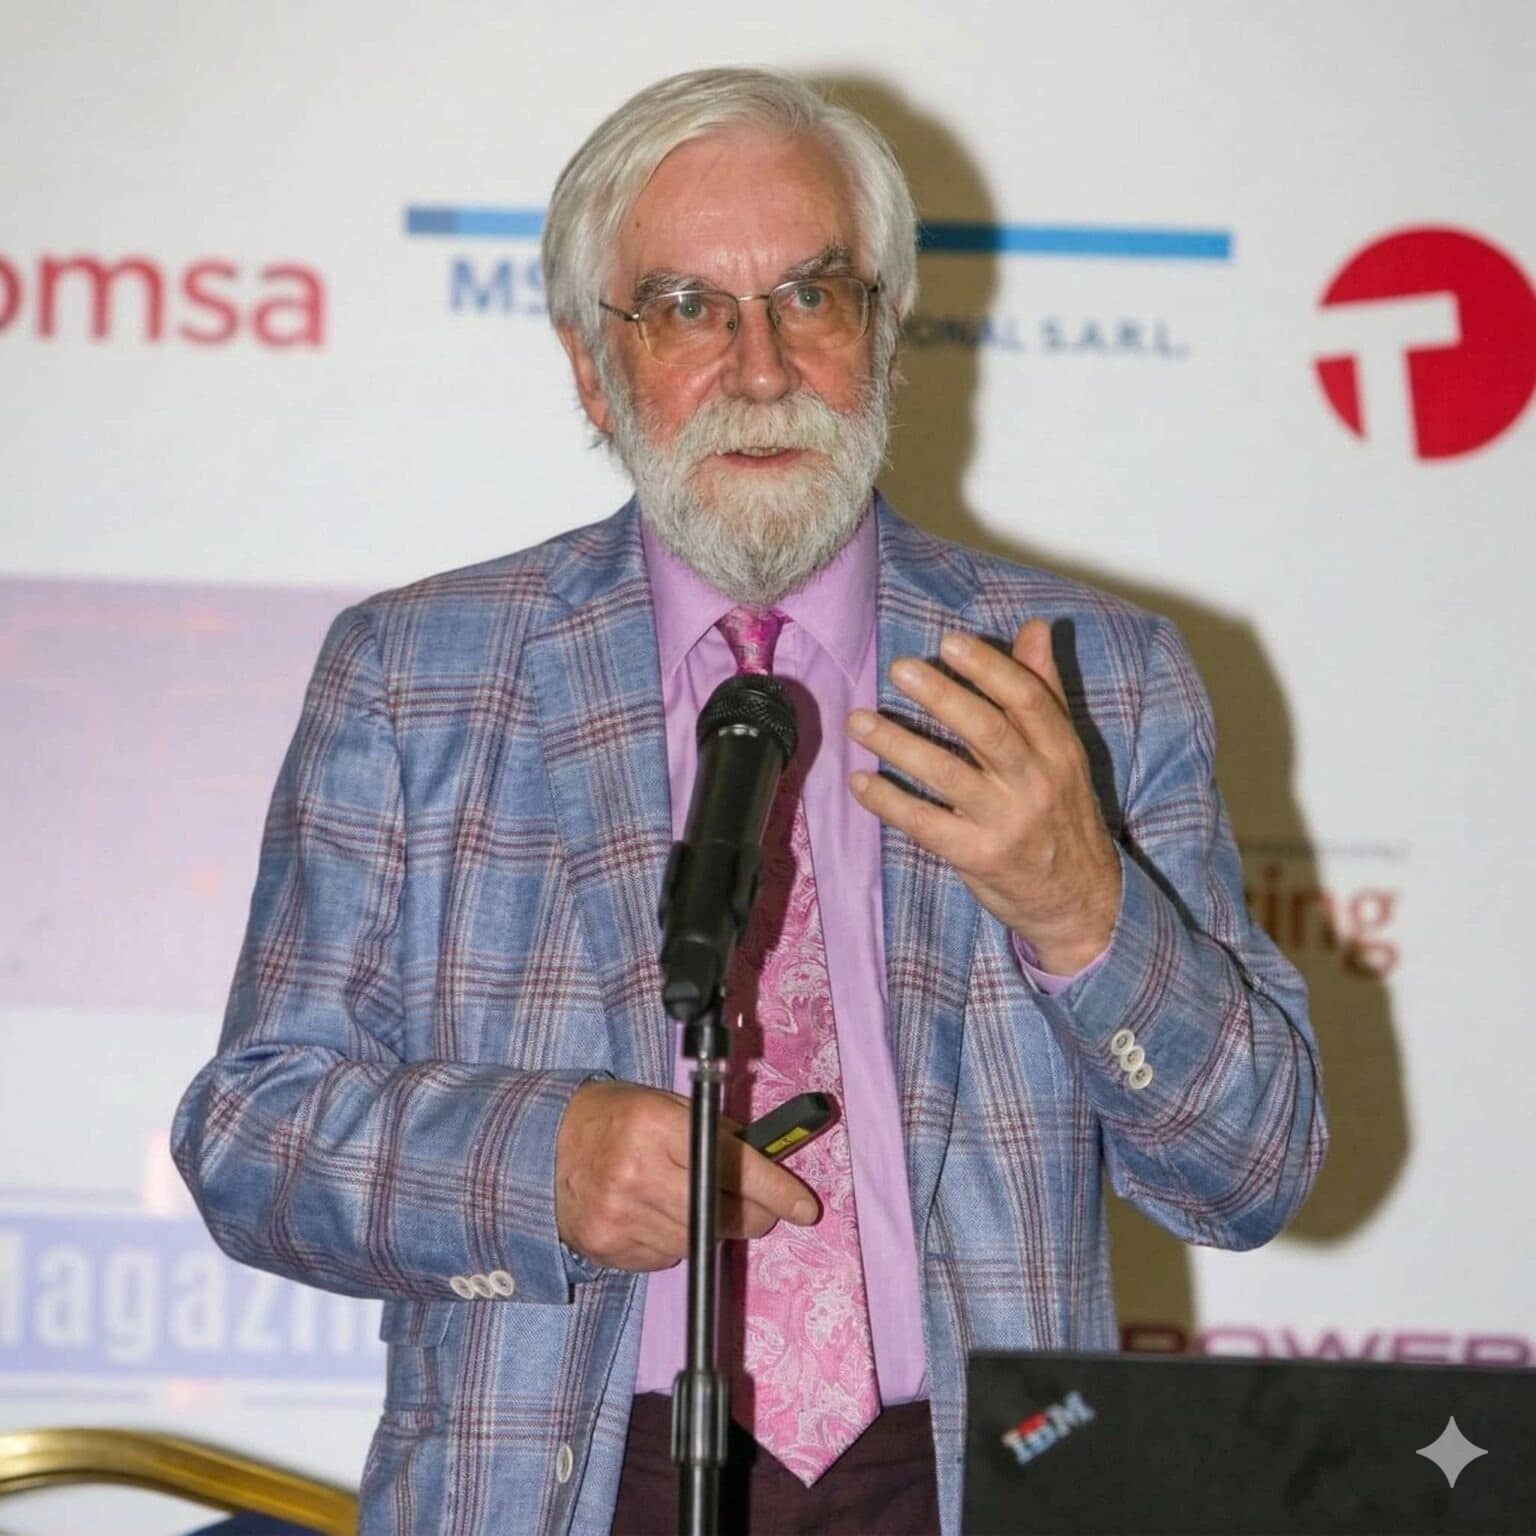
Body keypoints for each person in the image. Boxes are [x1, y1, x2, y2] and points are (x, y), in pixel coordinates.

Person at [173, 67, 1326, 1536]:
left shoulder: (1087, 681)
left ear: (888, 339)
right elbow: (251, 1139)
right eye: (686, 310)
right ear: (597, 368)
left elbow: (1257, 1172)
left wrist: (1083, 911)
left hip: (973, 1483)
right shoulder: (416, 678)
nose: (763, 367)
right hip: (573, 1488)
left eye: (812, 298)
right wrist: (546, 1163)